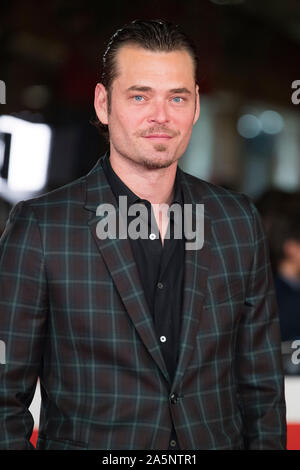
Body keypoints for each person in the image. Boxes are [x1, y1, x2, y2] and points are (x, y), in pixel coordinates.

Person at [0, 19, 286, 450]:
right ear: (102, 103)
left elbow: (262, 384)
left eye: (177, 97)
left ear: (195, 108)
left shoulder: (237, 220)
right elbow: (5, 397)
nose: (161, 116)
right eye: (139, 96)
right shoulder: (42, 228)